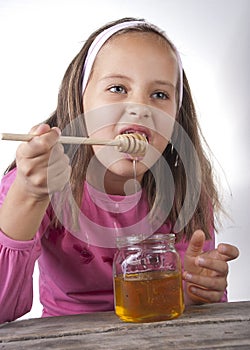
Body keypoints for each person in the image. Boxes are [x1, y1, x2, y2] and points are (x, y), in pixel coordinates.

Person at [0, 17, 239, 323]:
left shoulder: (184, 191)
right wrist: (30, 196)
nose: (140, 107)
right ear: (79, 101)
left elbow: (196, 310)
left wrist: (198, 292)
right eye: (117, 88)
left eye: (160, 95)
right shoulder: (38, 180)